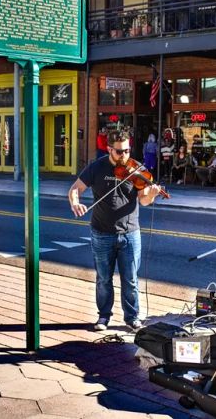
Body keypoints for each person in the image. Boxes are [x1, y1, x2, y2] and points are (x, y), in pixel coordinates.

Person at [68, 130, 162, 331]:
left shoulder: (136, 169)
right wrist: (75, 203)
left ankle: (132, 317)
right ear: (110, 149)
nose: (124, 156)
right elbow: (75, 189)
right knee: (103, 278)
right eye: (119, 152)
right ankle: (103, 316)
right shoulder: (96, 167)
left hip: (130, 233)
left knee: (130, 279)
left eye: (127, 150)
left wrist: (152, 195)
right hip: (102, 232)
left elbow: (144, 200)